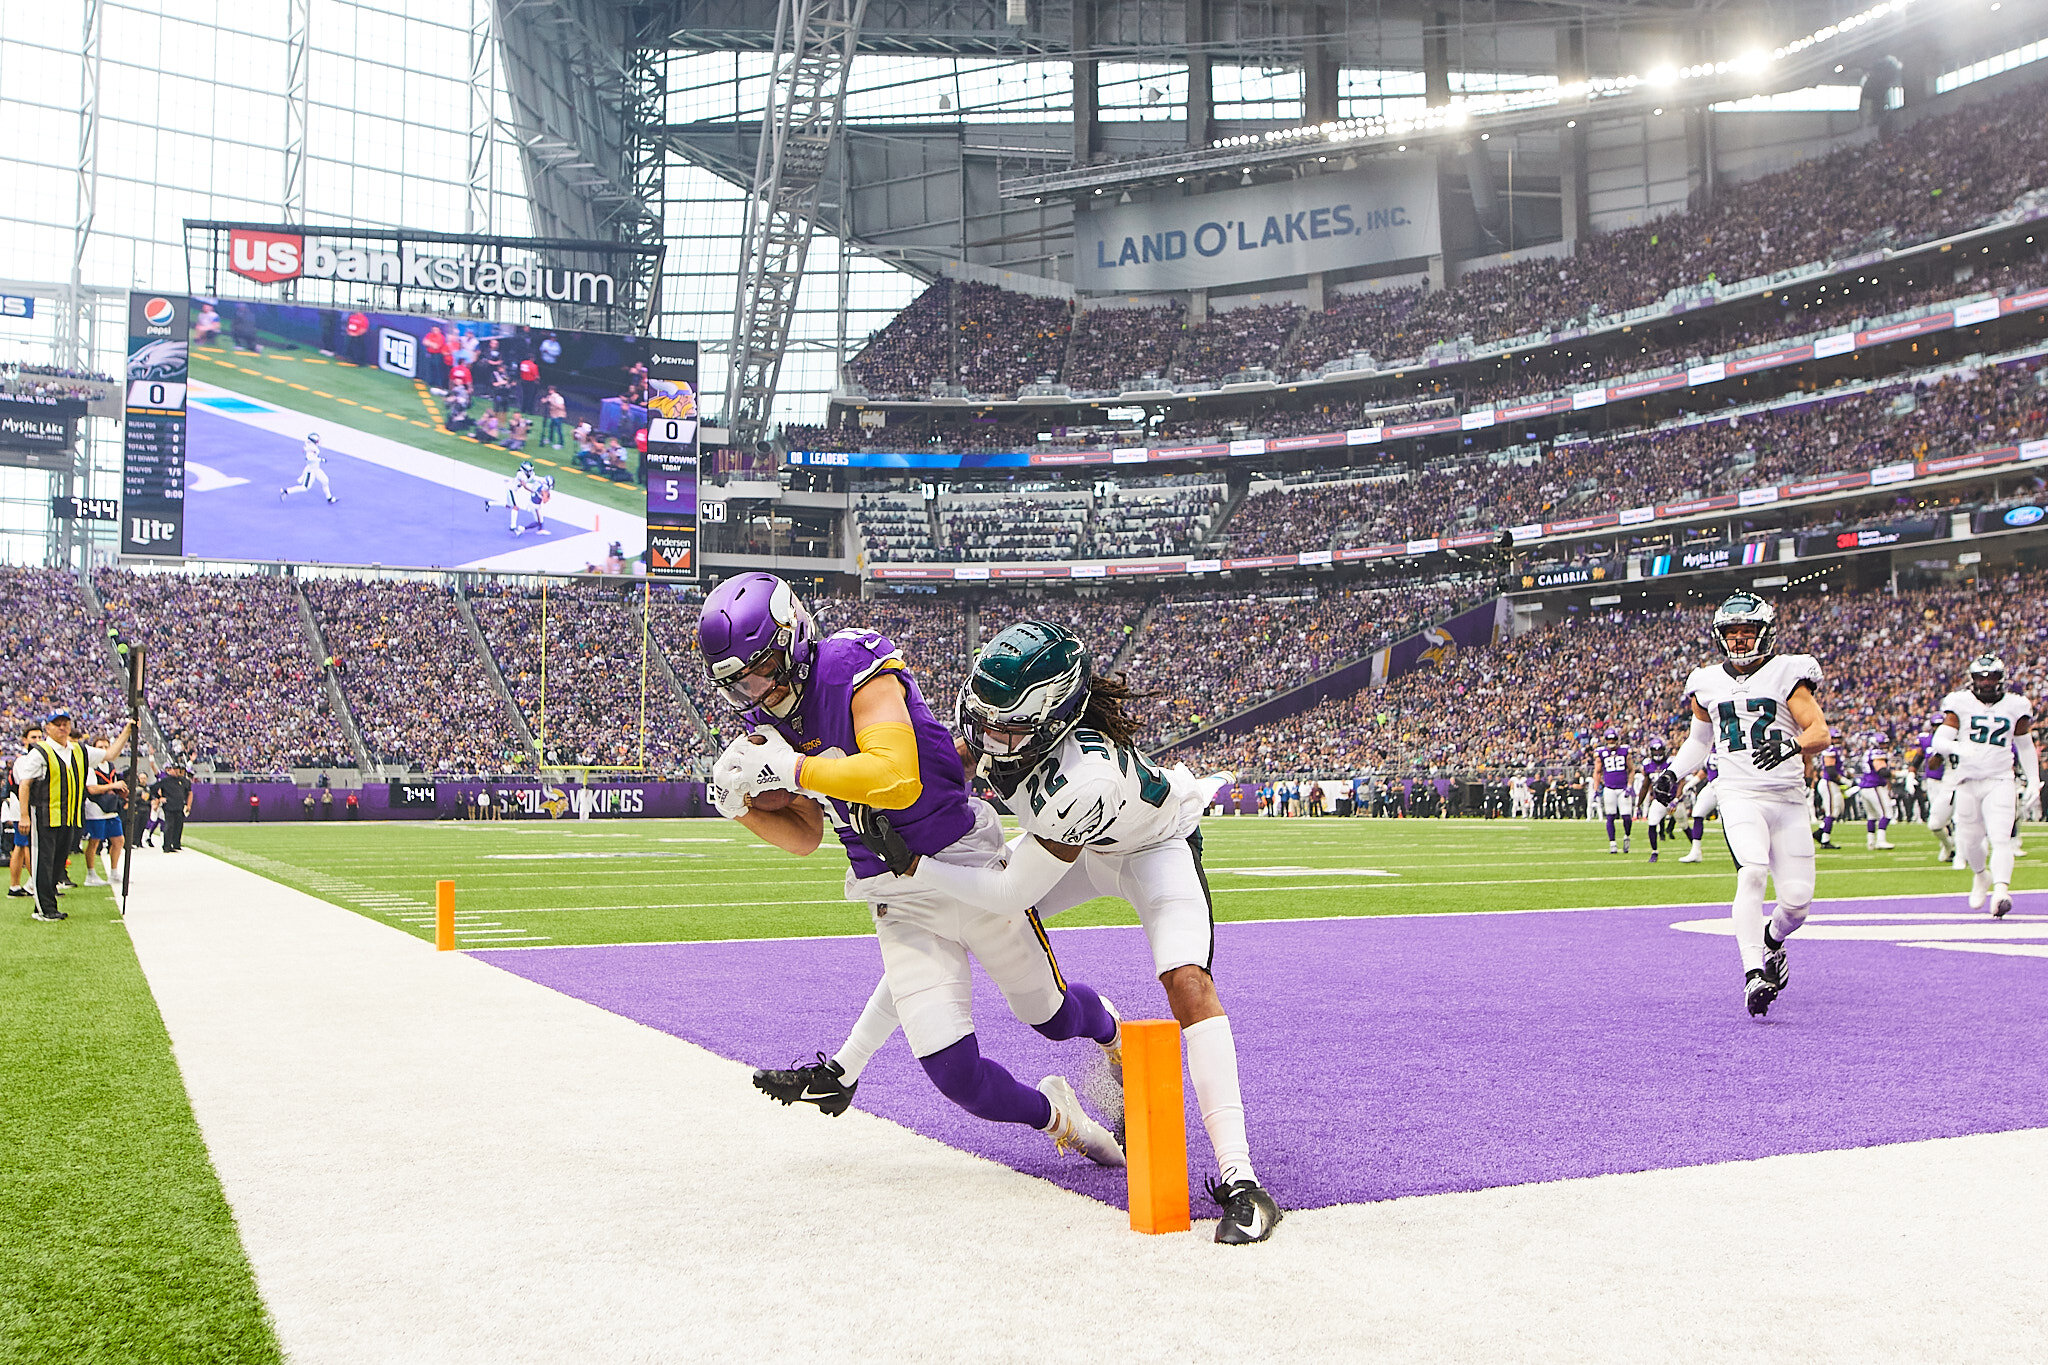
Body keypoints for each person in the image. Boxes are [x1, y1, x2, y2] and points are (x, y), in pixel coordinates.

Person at [702, 575, 1127, 1170]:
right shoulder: (769, 729)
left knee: (1052, 1018)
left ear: (794, 635)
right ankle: (1058, 1115)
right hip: (894, 894)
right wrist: (741, 807)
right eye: (740, 682)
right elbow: (804, 837)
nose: (759, 688)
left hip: (963, 860)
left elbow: (896, 775)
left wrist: (796, 768)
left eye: (764, 667)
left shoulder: (852, 665)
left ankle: (1114, 1036)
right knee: (957, 1076)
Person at [883, 620, 1281, 1243]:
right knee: (963, 915)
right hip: (1082, 845)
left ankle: (1240, 1178)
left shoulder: (1080, 780)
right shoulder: (1002, 724)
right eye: (984, 721)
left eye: (1008, 729)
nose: (988, 738)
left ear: (1053, 720)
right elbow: (950, 768)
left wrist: (916, 866)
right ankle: (1112, 1037)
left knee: (1187, 981)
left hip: (1153, 849)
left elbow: (1015, 891)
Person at [1665, 594, 1831, 1018]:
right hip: (1738, 792)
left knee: (1796, 904)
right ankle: (1753, 973)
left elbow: (1820, 732)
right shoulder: (1705, 681)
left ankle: (1772, 943)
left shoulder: (1787, 672)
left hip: (1789, 799)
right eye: (1732, 633)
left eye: (1748, 631)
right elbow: (1700, 740)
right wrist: (1673, 772)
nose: (1740, 640)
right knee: (1752, 871)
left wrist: (1790, 744)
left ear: (1765, 632)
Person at [1935, 655, 2038, 919]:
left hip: (2000, 778)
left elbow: (2025, 745)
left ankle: (2002, 891)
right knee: (1970, 842)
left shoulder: (2016, 705)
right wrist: (1960, 747)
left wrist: (2034, 779)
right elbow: (1940, 739)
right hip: (1967, 780)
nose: (1987, 682)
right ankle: (1981, 875)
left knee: (2001, 837)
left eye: (1991, 677)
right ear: (1973, 679)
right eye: (1982, 677)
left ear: (2001, 679)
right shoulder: (1960, 702)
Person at [15, 711, 133, 922]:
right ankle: (45, 909)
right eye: (57, 724)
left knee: (58, 862)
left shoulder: (79, 750)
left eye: (65, 724)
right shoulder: (40, 752)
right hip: (45, 815)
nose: (62, 728)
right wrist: (24, 815)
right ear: (48, 728)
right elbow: (25, 784)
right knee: (44, 860)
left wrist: (127, 731)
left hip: (69, 816)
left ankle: (46, 904)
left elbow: (110, 755)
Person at [81, 733, 127, 887]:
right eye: (100, 747)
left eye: (106, 747)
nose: (104, 750)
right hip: (95, 807)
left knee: (118, 840)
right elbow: (92, 789)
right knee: (95, 841)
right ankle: (90, 873)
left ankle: (114, 872)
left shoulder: (110, 765)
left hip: (110, 806)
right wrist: (112, 786)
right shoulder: (91, 767)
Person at [1591, 726, 1634, 853]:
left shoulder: (1625, 751)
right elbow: (1597, 772)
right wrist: (1595, 789)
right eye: (1609, 740)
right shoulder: (1601, 753)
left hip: (1623, 788)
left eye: (1613, 739)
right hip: (1609, 788)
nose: (1611, 742)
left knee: (1626, 816)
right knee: (1610, 816)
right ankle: (1612, 843)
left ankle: (1627, 836)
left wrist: (1630, 786)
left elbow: (1631, 770)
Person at [1634, 736, 1674, 864]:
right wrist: (1638, 805)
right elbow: (1645, 786)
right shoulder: (1648, 765)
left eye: (1660, 750)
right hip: (1659, 800)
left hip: (1674, 799)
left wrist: (1678, 798)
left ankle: (1695, 848)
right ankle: (1654, 851)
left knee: (1685, 825)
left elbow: (1681, 781)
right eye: (1655, 750)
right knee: (1652, 822)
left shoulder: (1671, 762)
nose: (1658, 753)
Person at [1856, 733, 1897, 850]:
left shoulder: (1867, 752)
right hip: (1874, 786)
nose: (1884, 746)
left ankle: (1870, 842)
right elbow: (1882, 771)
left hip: (1865, 787)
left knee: (1872, 816)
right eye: (1882, 743)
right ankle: (1881, 841)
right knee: (1887, 814)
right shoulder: (1876, 753)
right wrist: (1898, 774)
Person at [281, 432, 337, 503]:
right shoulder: (311, 449)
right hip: (311, 471)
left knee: (325, 481)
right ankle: (286, 491)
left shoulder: (311, 447)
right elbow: (309, 458)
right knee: (305, 487)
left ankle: (329, 498)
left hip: (316, 469)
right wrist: (320, 460)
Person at [157, 760, 192, 851]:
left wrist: (188, 804)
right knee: (169, 825)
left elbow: (189, 793)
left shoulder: (184, 781)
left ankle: (176, 843)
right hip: (169, 806)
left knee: (178, 825)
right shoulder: (167, 780)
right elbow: (156, 789)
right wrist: (159, 798)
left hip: (180, 805)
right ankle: (167, 845)